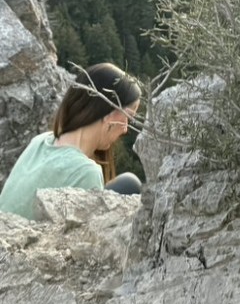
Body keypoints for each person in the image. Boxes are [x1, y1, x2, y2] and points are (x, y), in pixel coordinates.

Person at [0, 62, 143, 220]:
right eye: (127, 118)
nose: (125, 129)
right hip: (29, 242)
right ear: (109, 114)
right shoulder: (86, 172)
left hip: (7, 232)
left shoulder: (40, 141)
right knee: (130, 185)